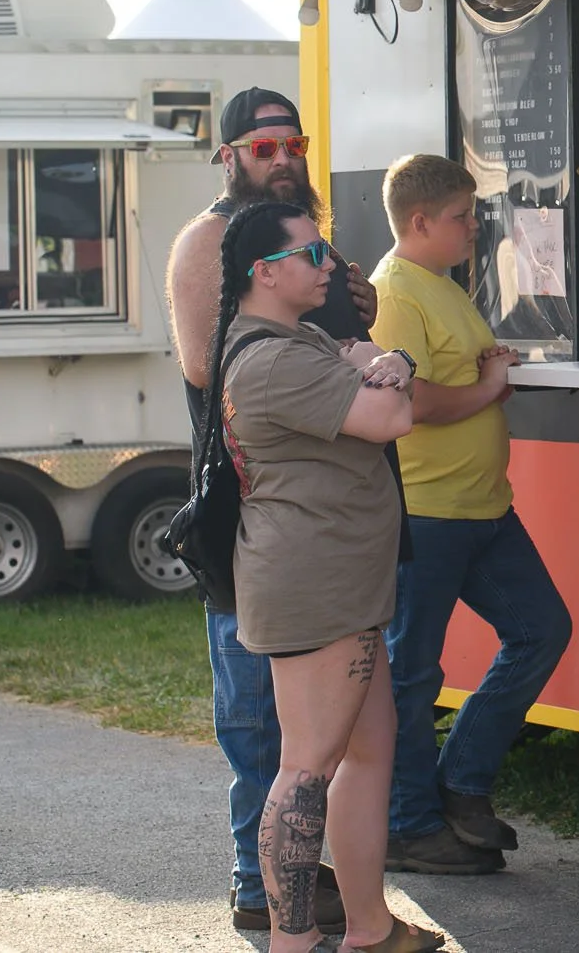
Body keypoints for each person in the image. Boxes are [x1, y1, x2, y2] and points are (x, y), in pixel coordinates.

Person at [165, 87, 379, 934]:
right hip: (250, 506)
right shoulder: (210, 240)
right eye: (264, 147)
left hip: (327, 510)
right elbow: (200, 362)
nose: (284, 158)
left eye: (294, 143)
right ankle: (258, 888)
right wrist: (338, 345)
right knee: (257, 712)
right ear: (230, 158)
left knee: (323, 720)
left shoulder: (304, 239)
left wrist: (354, 315)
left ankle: (302, 880)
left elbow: (354, 339)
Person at [208, 201, 438, 953]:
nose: (330, 264)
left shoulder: (294, 337)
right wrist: (397, 365)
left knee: (371, 746)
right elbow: (389, 416)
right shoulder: (274, 358)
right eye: (314, 253)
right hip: (316, 586)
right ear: (264, 273)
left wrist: (386, 367)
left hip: (342, 579)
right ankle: (291, 940)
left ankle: (369, 927)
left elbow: (372, 374)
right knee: (306, 767)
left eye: (328, 249)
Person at [370, 154, 572, 874]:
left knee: (543, 628)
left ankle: (459, 784)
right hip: (426, 514)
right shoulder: (395, 292)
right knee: (411, 673)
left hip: (483, 507)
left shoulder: (442, 286)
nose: (474, 228)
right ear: (419, 221)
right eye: (462, 216)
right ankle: (407, 826)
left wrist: (490, 369)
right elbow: (410, 402)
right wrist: (489, 387)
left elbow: (460, 374)